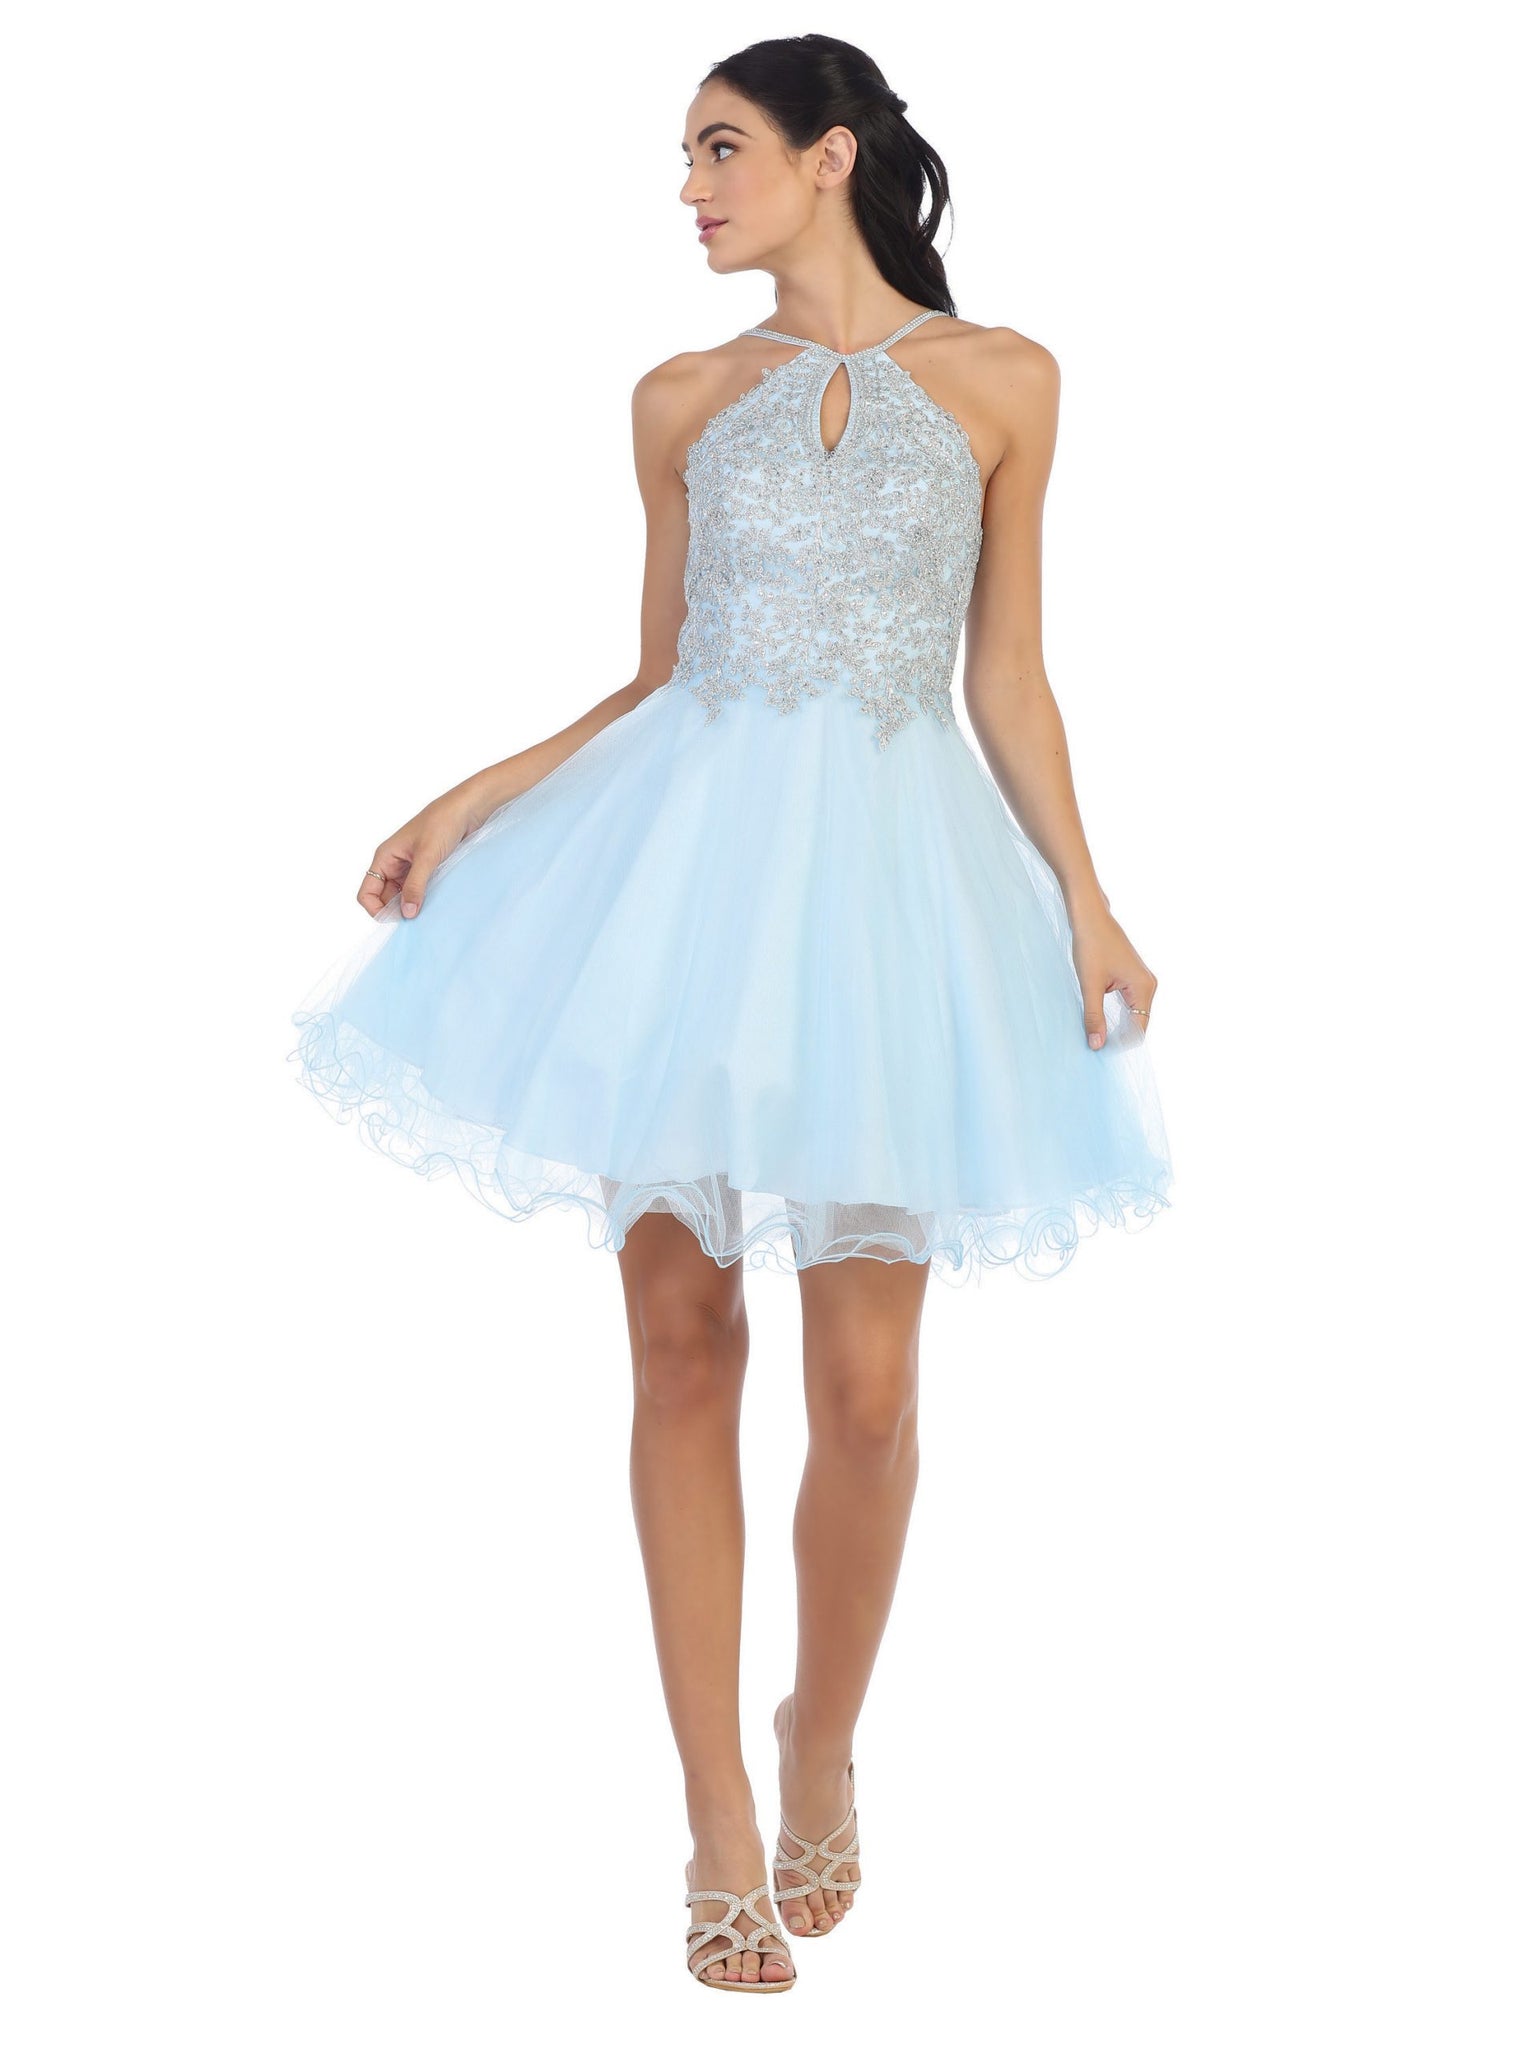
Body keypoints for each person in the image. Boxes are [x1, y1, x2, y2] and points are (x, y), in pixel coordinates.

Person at [289, 33, 1173, 1994]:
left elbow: (1008, 676)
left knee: (869, 1394)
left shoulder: (1007, 381)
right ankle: (711, 1818)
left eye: (719, 150)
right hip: (680, 894)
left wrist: (1088, 898)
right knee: (683, 1347)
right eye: (684, 157)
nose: (688, 189)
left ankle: (819, 1737)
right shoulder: (680, 399)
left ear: (829, 157)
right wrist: (475, 796)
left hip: (891, 903)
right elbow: (658, 676)